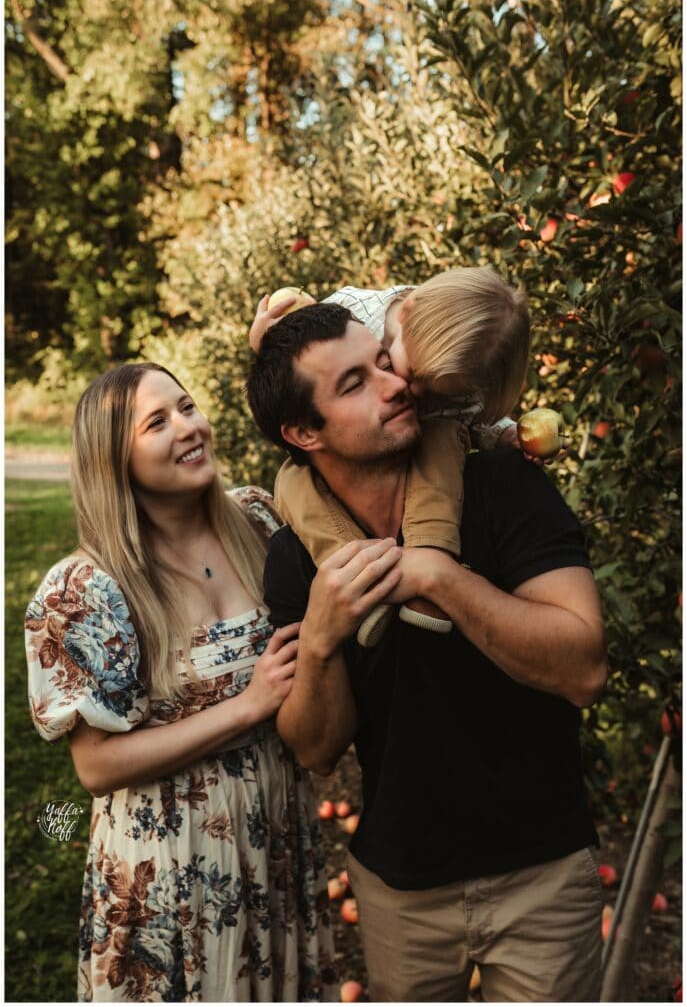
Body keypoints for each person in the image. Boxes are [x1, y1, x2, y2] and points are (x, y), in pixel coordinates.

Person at [246, 303, 609, 1003]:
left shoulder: (503, 488)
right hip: (399, 889)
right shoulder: (295, 560)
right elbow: (316, 749)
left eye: (381, 361)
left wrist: (438, 575)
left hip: (541, 870)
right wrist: (319, 640)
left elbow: (583, 668)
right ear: (301, 432)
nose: (392, 384)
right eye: (352, 384)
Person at [25, 363, 338, 1003]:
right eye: (157, 422)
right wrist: (247, 707)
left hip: (277, 832)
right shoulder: (86, 591)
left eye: (188, 406)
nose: (189, 427)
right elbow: (97, 767)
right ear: (115, 458)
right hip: (171, 863)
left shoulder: (260, 521)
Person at [249, 267, 530, 646]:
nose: (405, 387)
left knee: (443, 442)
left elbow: (478, 417)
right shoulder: (352, 309)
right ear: (406, 314)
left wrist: (509, 434)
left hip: (431, 441)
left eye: (431, 390)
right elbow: (294, 362)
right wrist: (264, 337)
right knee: (291, 481)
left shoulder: (462, 369)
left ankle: (429, 565)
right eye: (408, 371)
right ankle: (359, 577)